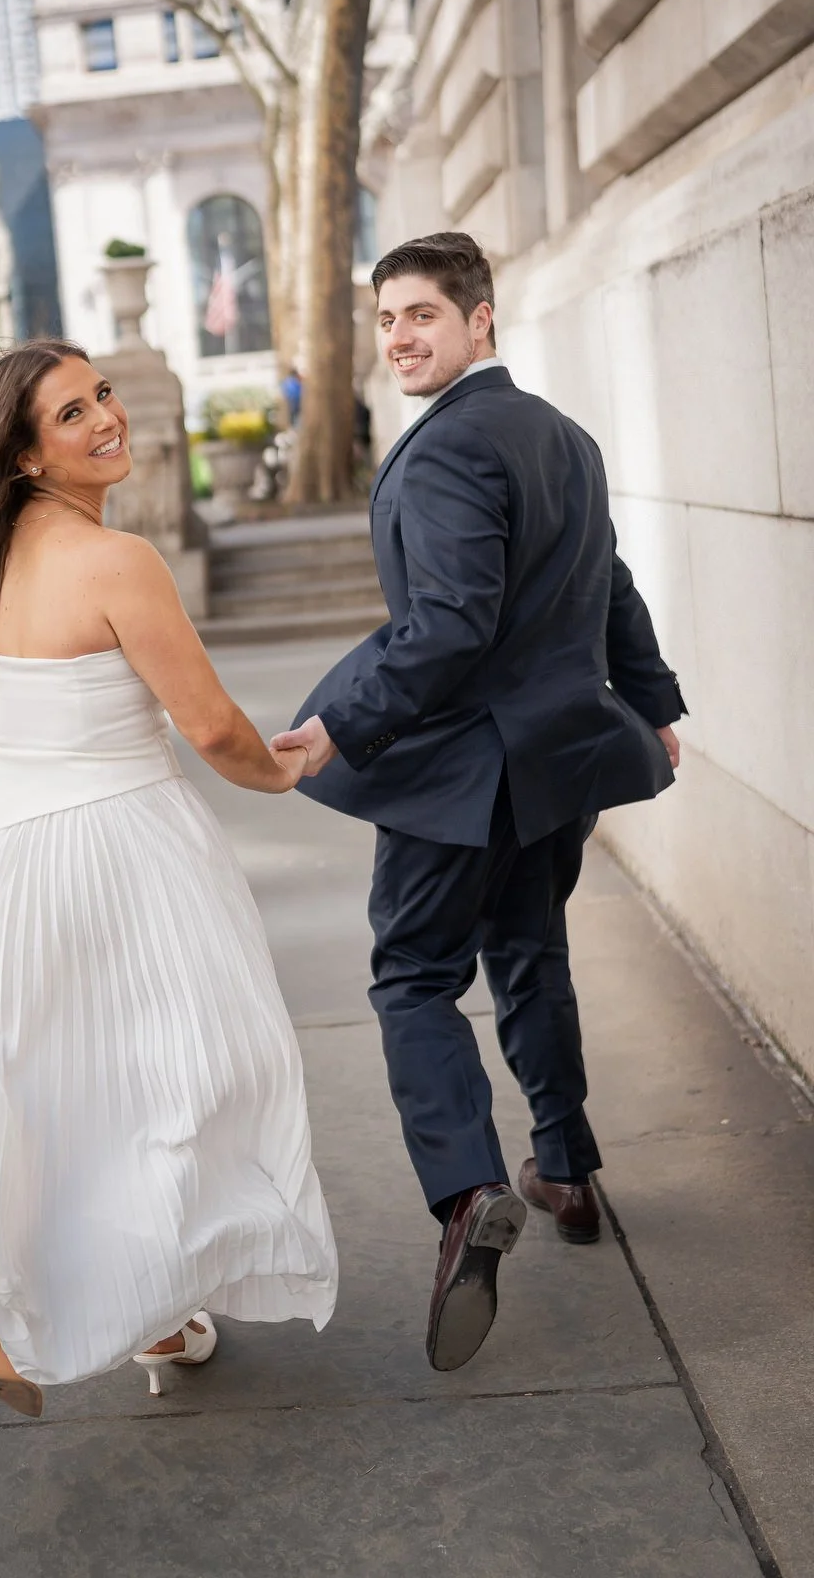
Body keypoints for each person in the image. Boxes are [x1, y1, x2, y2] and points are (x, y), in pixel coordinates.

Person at [0, 338, 338, 1418]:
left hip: (10, 847)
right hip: (122, 841)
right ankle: (91, 1304)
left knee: (49, 1086)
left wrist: (68, 706)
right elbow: (212, 728)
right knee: (189, 1074)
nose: (105, 417)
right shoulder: (121, 564)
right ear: (25, 455)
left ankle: (94, 1317)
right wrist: (284, 771)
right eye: (71, 413)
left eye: (101, 393)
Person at [273, 234, 683, 1374]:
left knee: (411, 977)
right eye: (388, 320)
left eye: (423, 317)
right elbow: (610, 582)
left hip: (463, 770)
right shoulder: (563, 436)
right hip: (555, 761)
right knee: (531, 952)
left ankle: (467, 1193)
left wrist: (340, 722)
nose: (401, 338)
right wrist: (650, 705)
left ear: (480, 321)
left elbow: (449, 625)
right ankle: (565, 1165)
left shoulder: (452, 449)